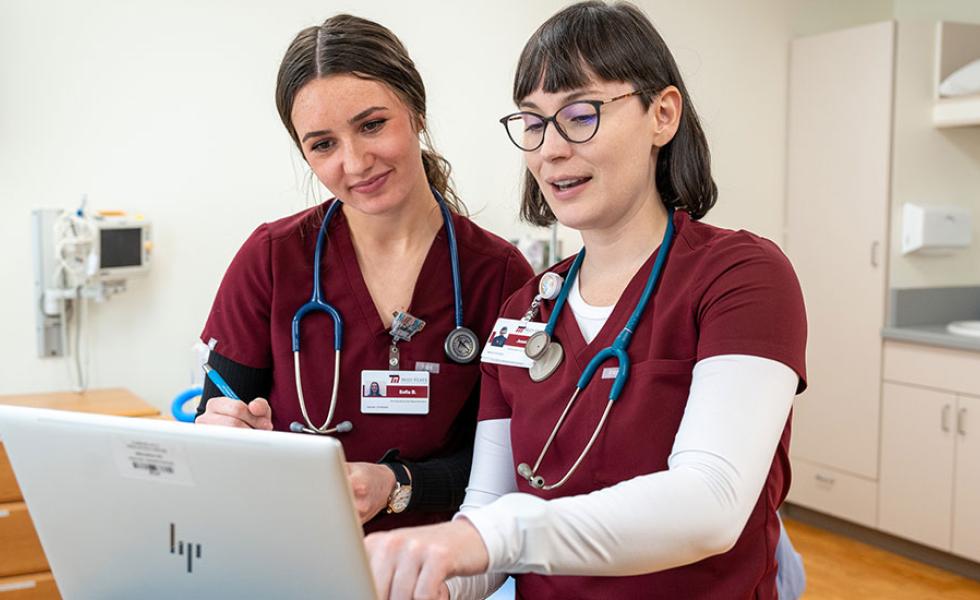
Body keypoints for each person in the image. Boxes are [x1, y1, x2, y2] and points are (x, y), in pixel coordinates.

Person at [364, 2, 808, 598]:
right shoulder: (522, 313)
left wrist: (492, 536)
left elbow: (713, 503)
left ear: (663, 114)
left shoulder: (741, 277)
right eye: (533, 122)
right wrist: (430, 583)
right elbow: (489, 515)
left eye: (580, 114)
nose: (550, 149)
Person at [194, 14, 533, 534]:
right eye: (323, 144)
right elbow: (216, 422)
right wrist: (225, 433)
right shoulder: (271, 258)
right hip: (296, 553)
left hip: (432, 570)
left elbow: (509, 464)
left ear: (416, 112)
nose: (355, 163)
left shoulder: (500, 277)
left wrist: (398, 485)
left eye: (372, 125)